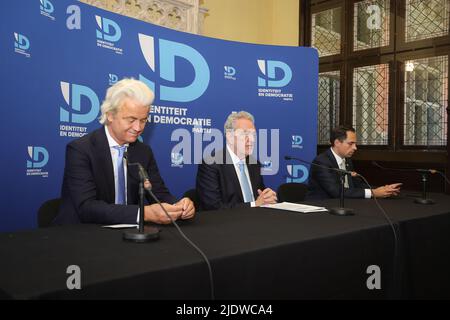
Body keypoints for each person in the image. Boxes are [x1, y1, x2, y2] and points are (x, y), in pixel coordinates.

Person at [54, 78, 195, 225]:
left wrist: (179, 205)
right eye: (131, 119)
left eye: (143, 120)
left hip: (127, 233)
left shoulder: (144, 152)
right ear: (110, 114)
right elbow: (86, 207)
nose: (138, 127)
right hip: (82, 234)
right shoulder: (80, 149)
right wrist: (144, 213)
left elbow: (158, 193)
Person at [196, 111, 277, 210]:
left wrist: (267, 197)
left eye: (253, 134)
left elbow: (260, 197)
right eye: (245, 133)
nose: (251, 139)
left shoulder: (254, 164)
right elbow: (213, 208)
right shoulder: (211, 164)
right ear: (229, 136)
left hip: (257, 220)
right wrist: (254, 204)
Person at [307, 125, 402, 200]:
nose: (355, 148)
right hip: (321, 207)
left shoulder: (347, 160)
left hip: (347, 204)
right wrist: (373, 193)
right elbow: (336, 192)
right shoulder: (321, 161)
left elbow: (357, 185)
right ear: (337, 143)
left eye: (355, 144)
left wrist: (382, 190)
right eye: (350, 143)